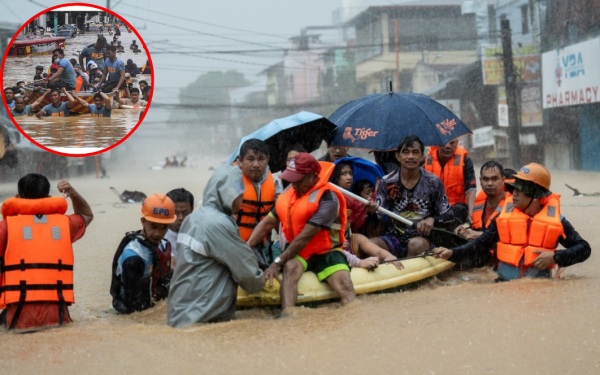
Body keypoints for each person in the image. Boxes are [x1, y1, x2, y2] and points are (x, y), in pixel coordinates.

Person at [434, 163, 591, 281]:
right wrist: (452, 253)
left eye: (519, 190)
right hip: (502, 285)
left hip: (540, 291)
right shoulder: (502, 219)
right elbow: (480, 244)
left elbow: (584, 249)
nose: (512, 194)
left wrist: (555, 257)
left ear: (535, 194)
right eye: (513, 189)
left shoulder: (558, 222)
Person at [248, 153, 356, 311]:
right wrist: (246, 247)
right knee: (290, 268)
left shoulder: (328, 199)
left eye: (298, 179)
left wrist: (277, 262)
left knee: (345, 284)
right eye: (291, 179)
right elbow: (267, 224)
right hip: (299, 252)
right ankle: (288, 316)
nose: (294, 184)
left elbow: (305, 236)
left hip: (326, 251)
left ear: (314, 176)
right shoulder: (287, 196)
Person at [167, 165, 265, 327]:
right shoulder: (216, 223)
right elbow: (249, 277)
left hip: (180, 313)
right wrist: (262, 277)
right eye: (240, 194)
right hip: (200, 317)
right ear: (230, 194)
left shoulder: (194, 218)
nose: (242, 199)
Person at [0, 175, 93, 329]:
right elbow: (87, 215)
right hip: (58, 312)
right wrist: (72, 193)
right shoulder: (65, 225)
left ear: (18, 197)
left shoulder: (5, 227)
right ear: (49, 197)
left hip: (18, 314)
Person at [370, 135, 454, 258]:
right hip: (394, 238)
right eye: (406, 152)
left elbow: (449, 217)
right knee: (372, 244)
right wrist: (371, 212)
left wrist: (433, 220)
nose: (410, 157)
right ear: (398, 156)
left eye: (415, 152)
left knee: (414, 244)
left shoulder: (433, 182)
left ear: (421, 156)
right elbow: (377, 219)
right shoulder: (386, 182)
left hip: (423, 239)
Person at [328, 161, 401, 269]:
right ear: (335, 177)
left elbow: (379, 252)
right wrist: (332, 244)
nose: (348, 177)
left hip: (352, 239)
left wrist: (388, 256)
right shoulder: (334, 195)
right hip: (331, 245)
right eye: (344, 174)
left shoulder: (356, 239)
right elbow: (360, 205)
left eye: (350, 173)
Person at [110, 194, 174, 314]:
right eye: (153, 226)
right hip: (126, 317)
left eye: (163, 228)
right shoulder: (133, 258)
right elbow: (134, 309)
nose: (157, 233)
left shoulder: (163, 244)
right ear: (143, 221)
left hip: (151, 308)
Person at [423, 138, 477, 222]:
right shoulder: (424, 162)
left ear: (457, 143)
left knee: (460, 209)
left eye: (452, 143)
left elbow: (471, 190)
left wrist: (470, 213)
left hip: (456, 212)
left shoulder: (465, 162)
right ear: (436, 144)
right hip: (433, 211)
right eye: (443, 142)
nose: (447, 146)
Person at [235, 139, 277, 243]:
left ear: (268, 160)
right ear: (240, 160)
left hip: (262, 245)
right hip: (234, 244)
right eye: (250, 159)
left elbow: (279, 215)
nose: (256, 164)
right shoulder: (231, 180)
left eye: (261, 159)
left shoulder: (275, 183)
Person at [456, 161, 509, 242]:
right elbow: (477, 230)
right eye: (485, 179)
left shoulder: (513, 204)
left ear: (503, 180)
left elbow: (511, 234)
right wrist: (466, 231)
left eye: (494, 179)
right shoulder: (478, 205)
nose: (490, 183)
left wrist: (478, 235)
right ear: (480, 181)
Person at [165, 188, 195, 270]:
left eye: (185, 213)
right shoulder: (159, 235)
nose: (181, 218)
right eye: (175, 213)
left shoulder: (198, 233)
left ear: (192, 210)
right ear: (167, 211)